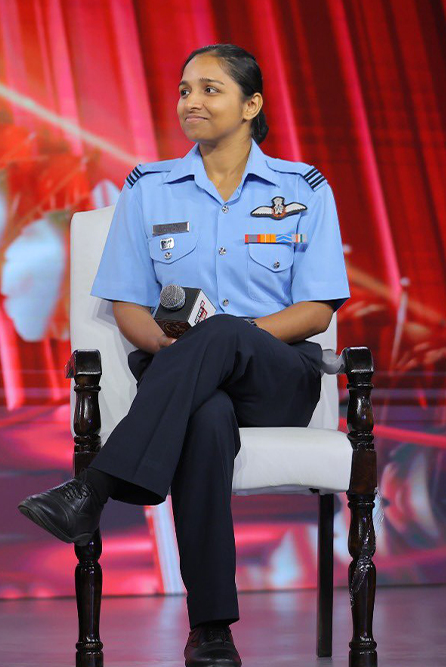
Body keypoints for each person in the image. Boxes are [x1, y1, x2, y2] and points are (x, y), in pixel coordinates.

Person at [19, 44, 349, 667]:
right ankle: (213, 631)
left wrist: (228, 335)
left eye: (209, 89)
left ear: (251, 105)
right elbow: (128, 309)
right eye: (183, 90)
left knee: (223, 331)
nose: (189, 102)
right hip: (182, 374)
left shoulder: (303, 187)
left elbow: (317, 311)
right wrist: (184, 345)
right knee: (205, 418)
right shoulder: (148, 187)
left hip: (277, 373)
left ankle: (97, 486)